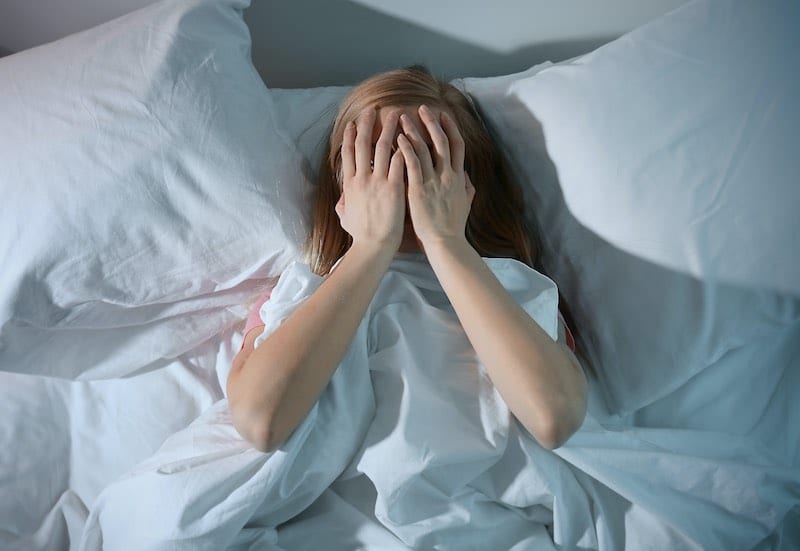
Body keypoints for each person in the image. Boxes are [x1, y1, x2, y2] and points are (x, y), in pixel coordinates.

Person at [226, 65, 586, 454]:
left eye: (428, 163)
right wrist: (371, 246)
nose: (399, 181)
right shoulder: (299, 296)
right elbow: (261, 423)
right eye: (375, 163)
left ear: (468, 185)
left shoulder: (518, 291)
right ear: (341, 182)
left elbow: (554, 419)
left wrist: (444, 239)